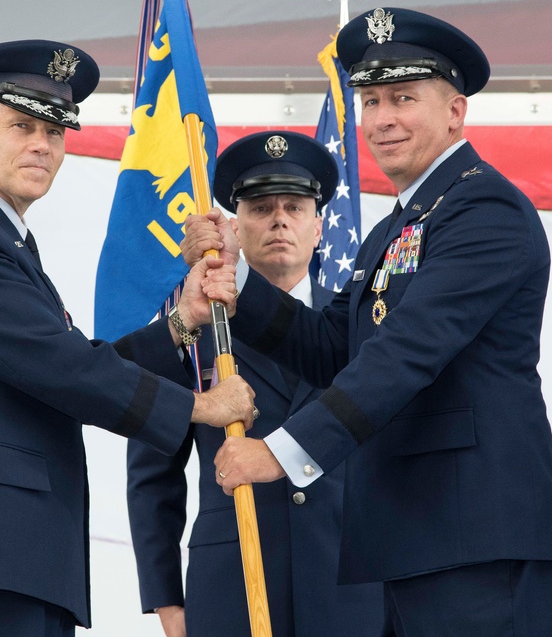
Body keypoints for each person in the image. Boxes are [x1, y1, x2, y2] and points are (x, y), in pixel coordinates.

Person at [183, 9, 552, 636]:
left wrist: (281, 455)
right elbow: (332, 346)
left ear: (455, 112)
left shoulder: (484, 208)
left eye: (403, 98)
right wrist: (240, 286)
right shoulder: (395, 228)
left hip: (477, 540)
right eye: (369, 101)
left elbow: (406, 353)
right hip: (410, 540)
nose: (382, 119)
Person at [0, 39, 255, 637]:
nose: (42, 144)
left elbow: (67, 366)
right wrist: (199, 406)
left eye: (55, 131)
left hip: (12, 554)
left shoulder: (2, 242)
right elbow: (65, 369)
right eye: (21, 125)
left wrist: (180, 323)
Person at [126, 132, 384, 637]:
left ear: (318, 228)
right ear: (235, 231)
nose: (279, 220)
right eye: (261, 207)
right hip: (233, 586)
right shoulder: (195, 323)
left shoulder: (365, 325)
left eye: (294, 206)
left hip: (351, 586)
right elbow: (153, 467)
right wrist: (164, 597)